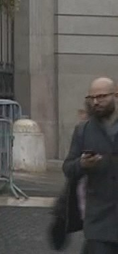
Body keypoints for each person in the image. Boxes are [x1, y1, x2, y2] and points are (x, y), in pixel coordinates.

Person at [64, 77, 118, 253]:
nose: (95, 102)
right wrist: (82, 164)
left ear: (115, 96)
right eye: (91, 98)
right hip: (99, 223)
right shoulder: (83, 130)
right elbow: (68, 168)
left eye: (101, 96)